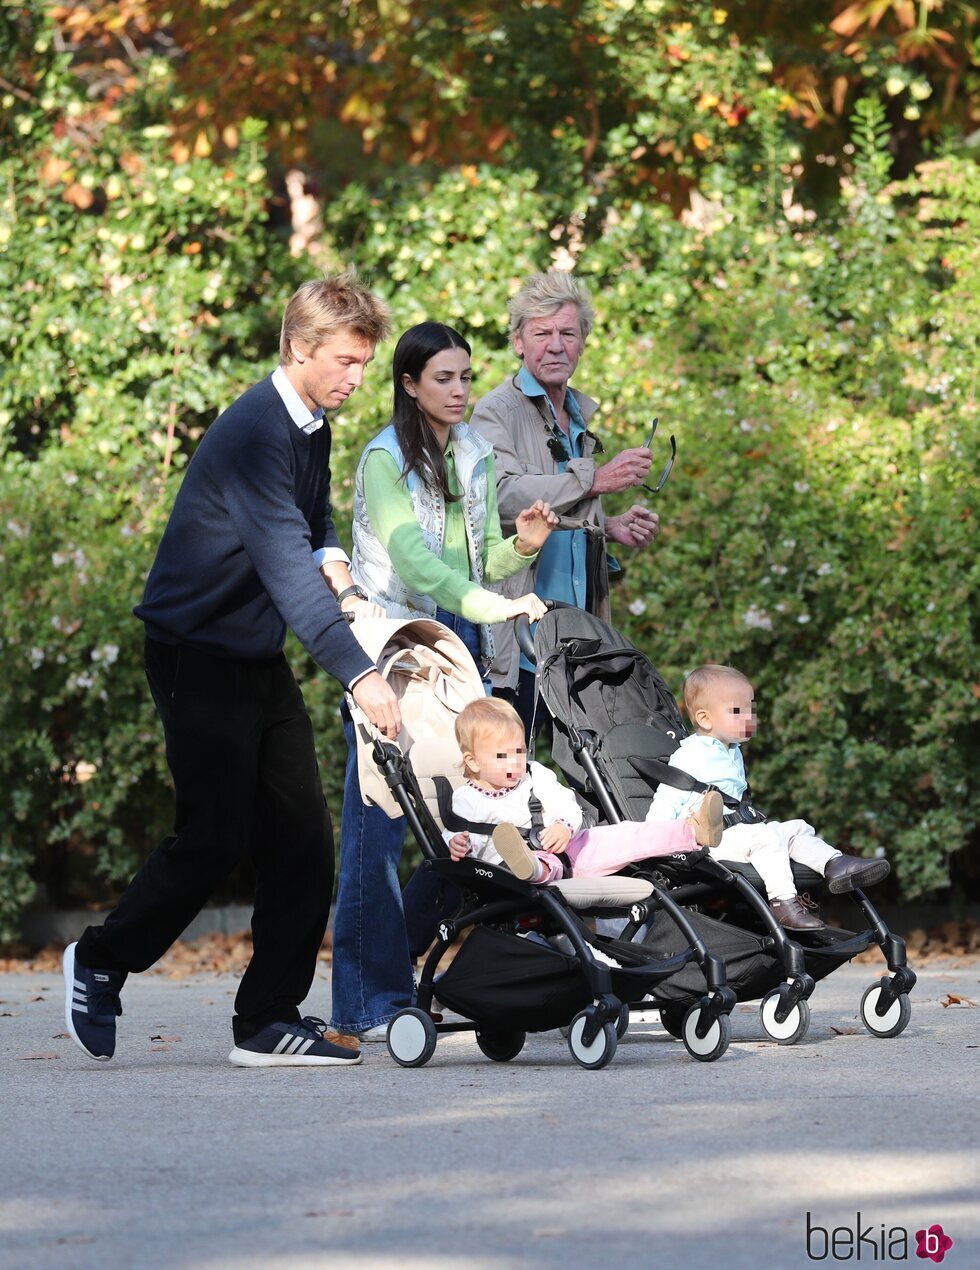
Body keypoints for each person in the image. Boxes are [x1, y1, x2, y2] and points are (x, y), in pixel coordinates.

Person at [62, 271, 403, 1069]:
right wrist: (361, 674)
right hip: (195, 652)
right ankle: (103, 958)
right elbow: (286, 571)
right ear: (298, 347)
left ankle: (266, 1021)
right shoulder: (257, 431)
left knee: (303, 842)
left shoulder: (310, 422)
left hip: (252, 652)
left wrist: (341, 570)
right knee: (213, 836)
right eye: (345, 362)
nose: (356, 379)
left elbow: (308, 528)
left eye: (363, 363)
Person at [330, 321, 560, 1042]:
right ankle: (364, 1004)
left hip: (455, 643)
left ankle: (425, 981)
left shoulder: (473, 450)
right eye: (443, 379)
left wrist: (520, 544)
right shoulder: (383, 458)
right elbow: (418, 565)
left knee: (462, 821)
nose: (459, 391)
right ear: (408, 384)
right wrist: (494, 602)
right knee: (378, 825)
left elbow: (472, 560)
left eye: (465, 377)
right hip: (391, 650)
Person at [470, 270, 662, 735]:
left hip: (577, 634)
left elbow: (563, 502)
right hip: (521, 635)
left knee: (588, 780)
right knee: (513, 773)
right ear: (518, 342)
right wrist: (596, 479)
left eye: (567, 334)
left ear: (582, 344)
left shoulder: (576, 410)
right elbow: (503, 496)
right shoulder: (495, 411)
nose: (555, 345)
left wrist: (608, 525)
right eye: (541, 333)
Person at [645, 664, 891, 929]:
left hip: (739, 834)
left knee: (796, 827)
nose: (749, 717)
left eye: (751, 709)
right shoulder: (692, 754)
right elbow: (668, 796)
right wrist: (658, 839)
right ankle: (783, 903)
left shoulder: (731, 750)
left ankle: (834, 865)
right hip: (706, 843)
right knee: (766, 836)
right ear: (705, 719)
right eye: (737, 711)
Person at [445, 697, 722, 882]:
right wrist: (456, 844)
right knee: (540, 862)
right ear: (473, 761)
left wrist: (565, 826)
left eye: (519, 751)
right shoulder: (467, 799)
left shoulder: (534, 774)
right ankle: (532, 870)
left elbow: (566, 803)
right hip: (517, 867)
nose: (515, 761)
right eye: (502, 756)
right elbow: (459, 835)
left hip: (573, 844)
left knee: (627, 833)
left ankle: (693, 830)